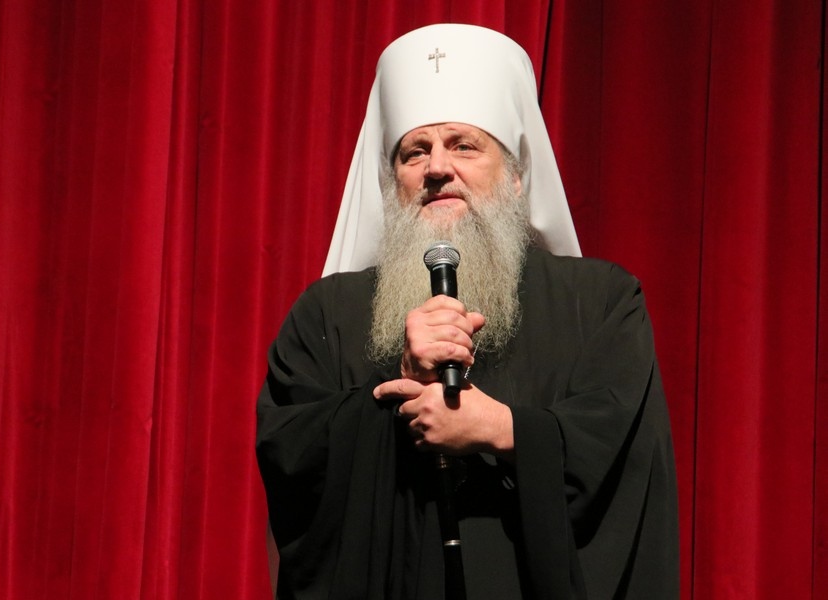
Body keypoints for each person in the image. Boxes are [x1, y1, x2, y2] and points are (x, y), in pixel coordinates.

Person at [256, 23, 678, 599]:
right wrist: (396, 394)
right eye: (415, 152)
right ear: (392, 182)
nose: (436, 168)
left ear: (517, 176)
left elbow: (626, 459)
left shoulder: (601, 301)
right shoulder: (326, 313)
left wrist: (503, 430)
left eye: (463, 145)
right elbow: (292, 459)